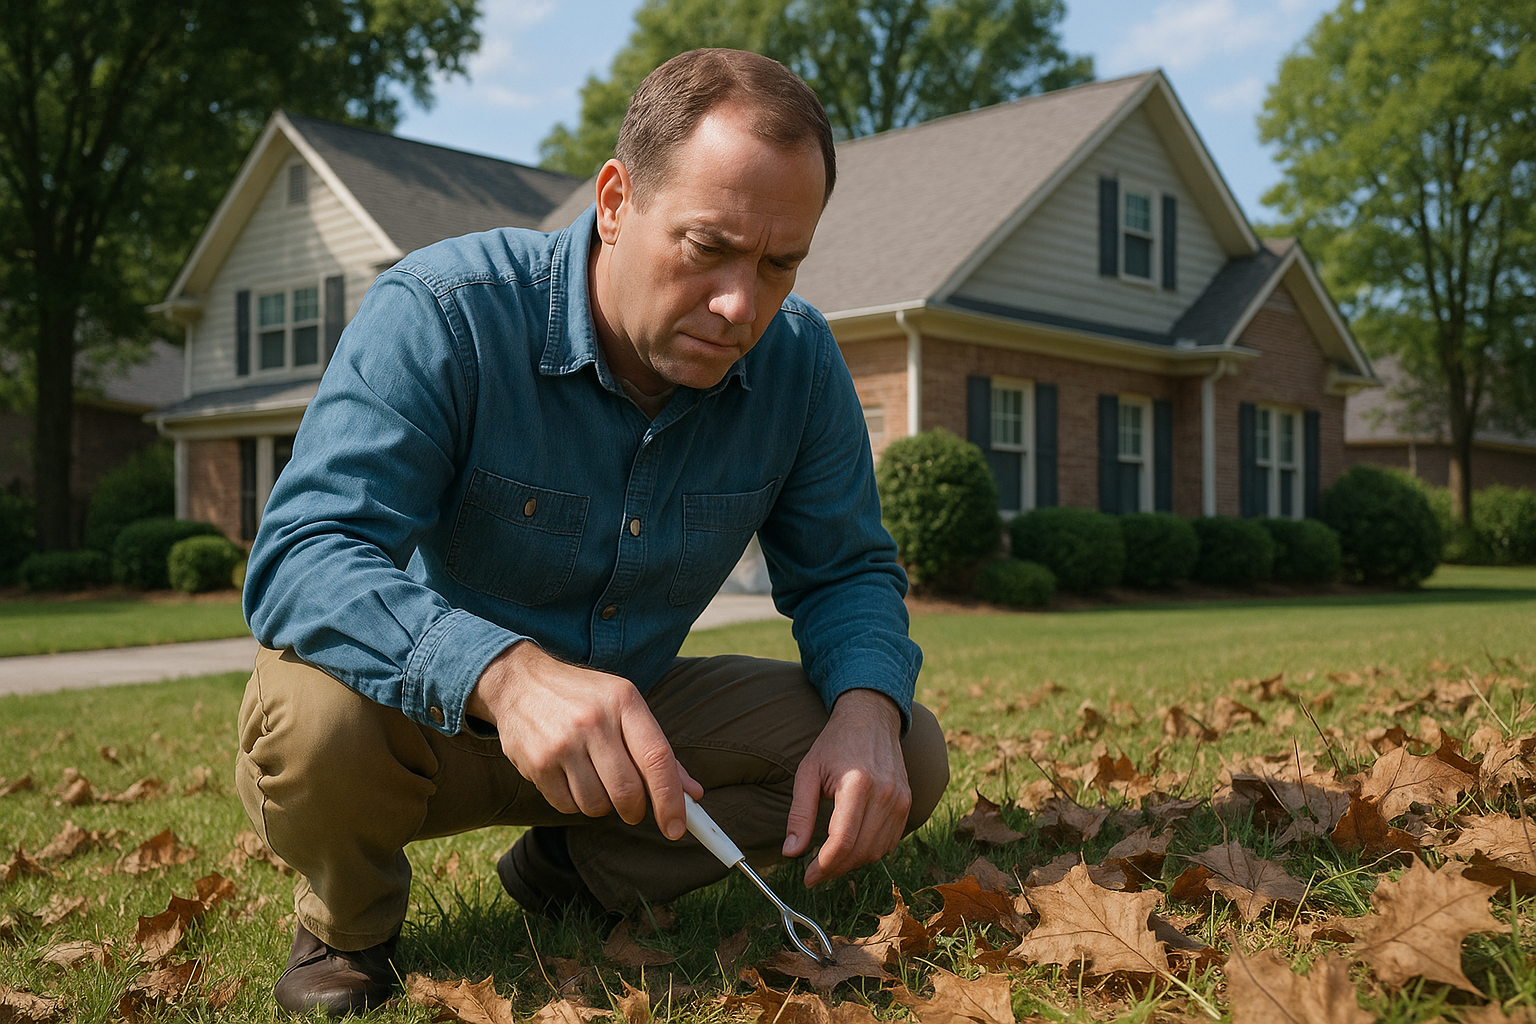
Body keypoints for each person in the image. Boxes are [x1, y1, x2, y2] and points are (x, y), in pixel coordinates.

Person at [236, 47, 949, 1016]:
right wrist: (506, 673)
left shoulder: (801, 364)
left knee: (903, 746)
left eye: (779, 263)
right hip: (423, 722)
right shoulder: (445, 313)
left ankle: (576, 871)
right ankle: (349, 925)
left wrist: (866, 706)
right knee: (312, 714)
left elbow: (847, 572)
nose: (741, 304)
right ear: (615, 202)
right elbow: (303, 556)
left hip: (639, 731)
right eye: (707, 246)